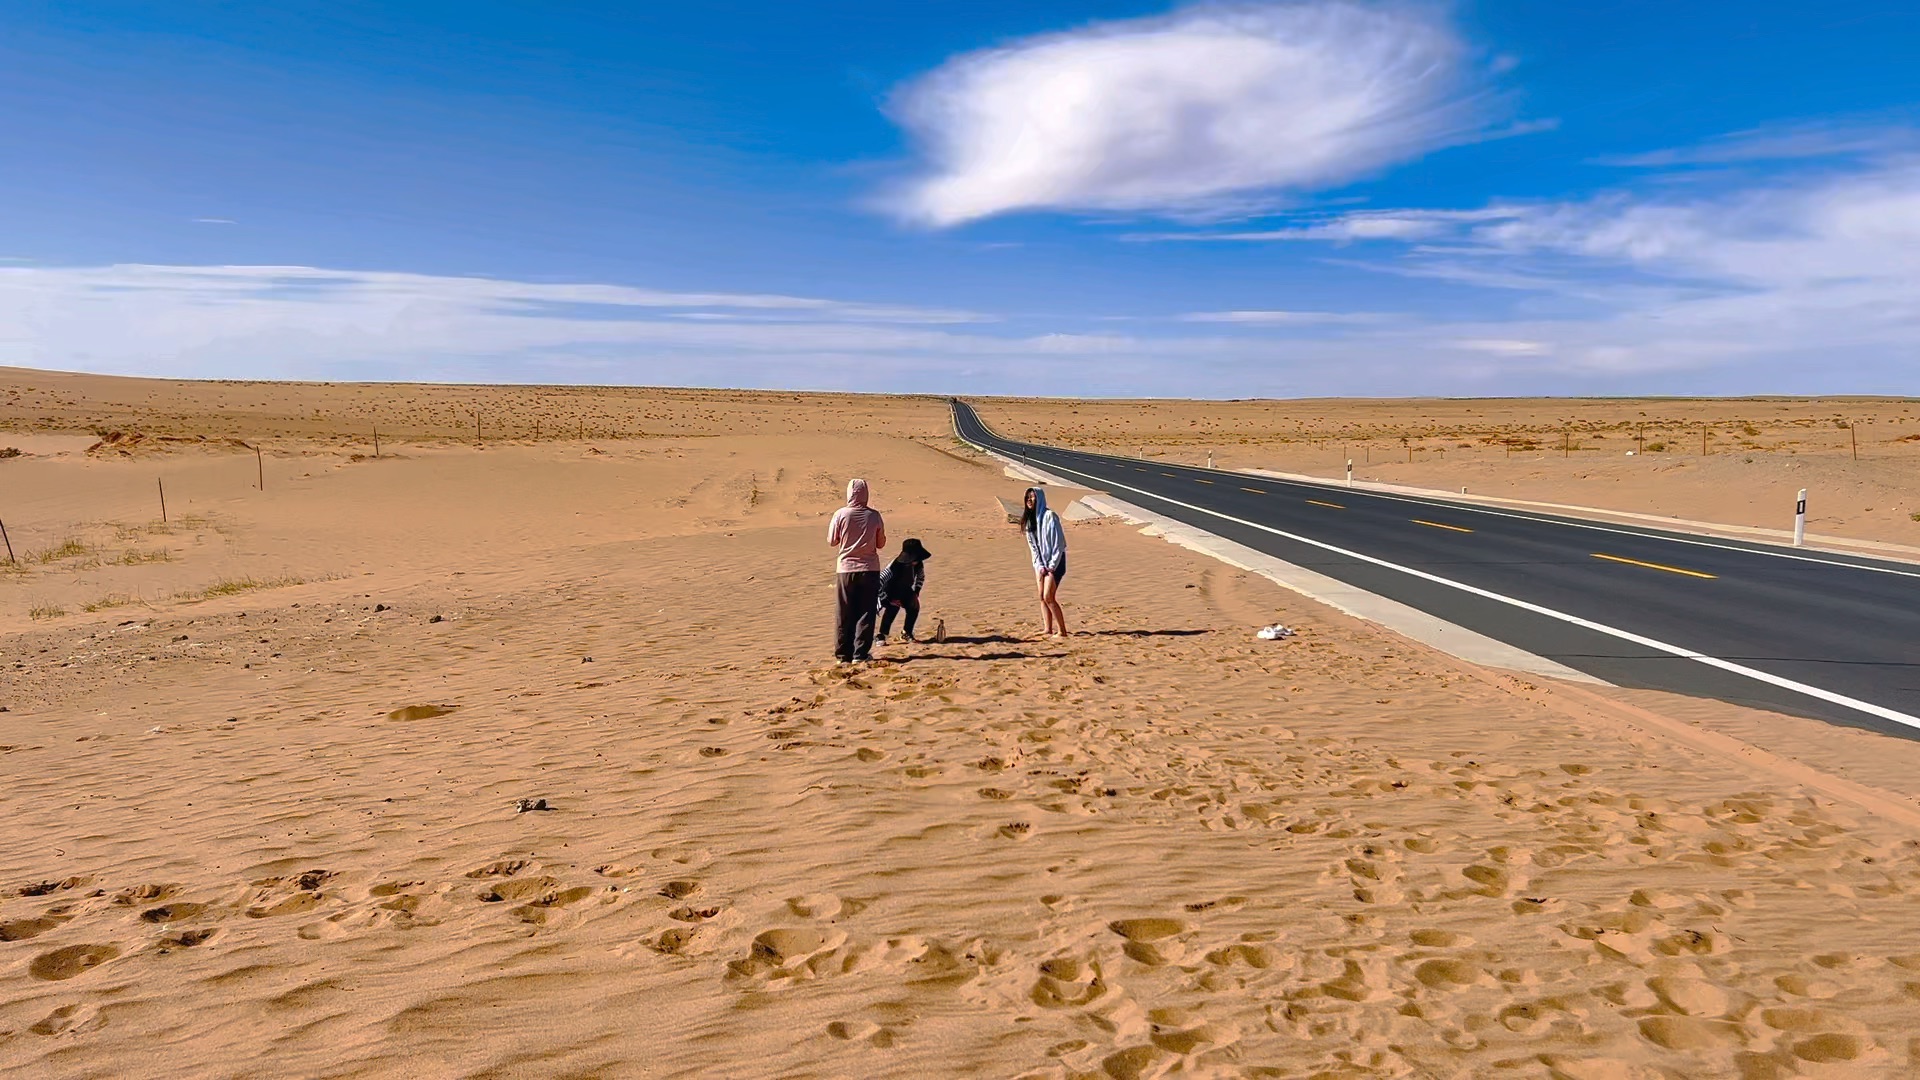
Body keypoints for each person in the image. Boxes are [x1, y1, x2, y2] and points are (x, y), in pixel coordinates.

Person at [827, 478, 885, 663]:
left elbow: (832, 541)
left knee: (844, 612)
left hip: (845, 569)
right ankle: (860, 654)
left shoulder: (840, 514)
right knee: (866, 611)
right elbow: (881, 543)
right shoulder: (875, 516)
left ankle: (843, 655)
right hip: (870, 569)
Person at [1020, 487, 1067, 637]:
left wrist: (1051, 566)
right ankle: (1048, 628)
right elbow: (1033, 547)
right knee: (1041, 596)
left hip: (1056, 562)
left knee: (1049, 596)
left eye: (1032, 497)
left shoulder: (1050, 516)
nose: (1029, 500)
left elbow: (1059, 544)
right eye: (1027, 497)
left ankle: (1062, 631)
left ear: (1039, 498)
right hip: (1040, 564)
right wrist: (1040, 566)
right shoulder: (1029, 522)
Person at [876, 538, 931, 644]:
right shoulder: (895, 565)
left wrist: (916, 592)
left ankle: (907, 632)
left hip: (906, 590)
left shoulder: (918, 564)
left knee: (914, 606)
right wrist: (886, 600)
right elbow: (878, 583)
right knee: (893, 607)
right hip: (890, 591)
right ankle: (882, 634)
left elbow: (920, 577)